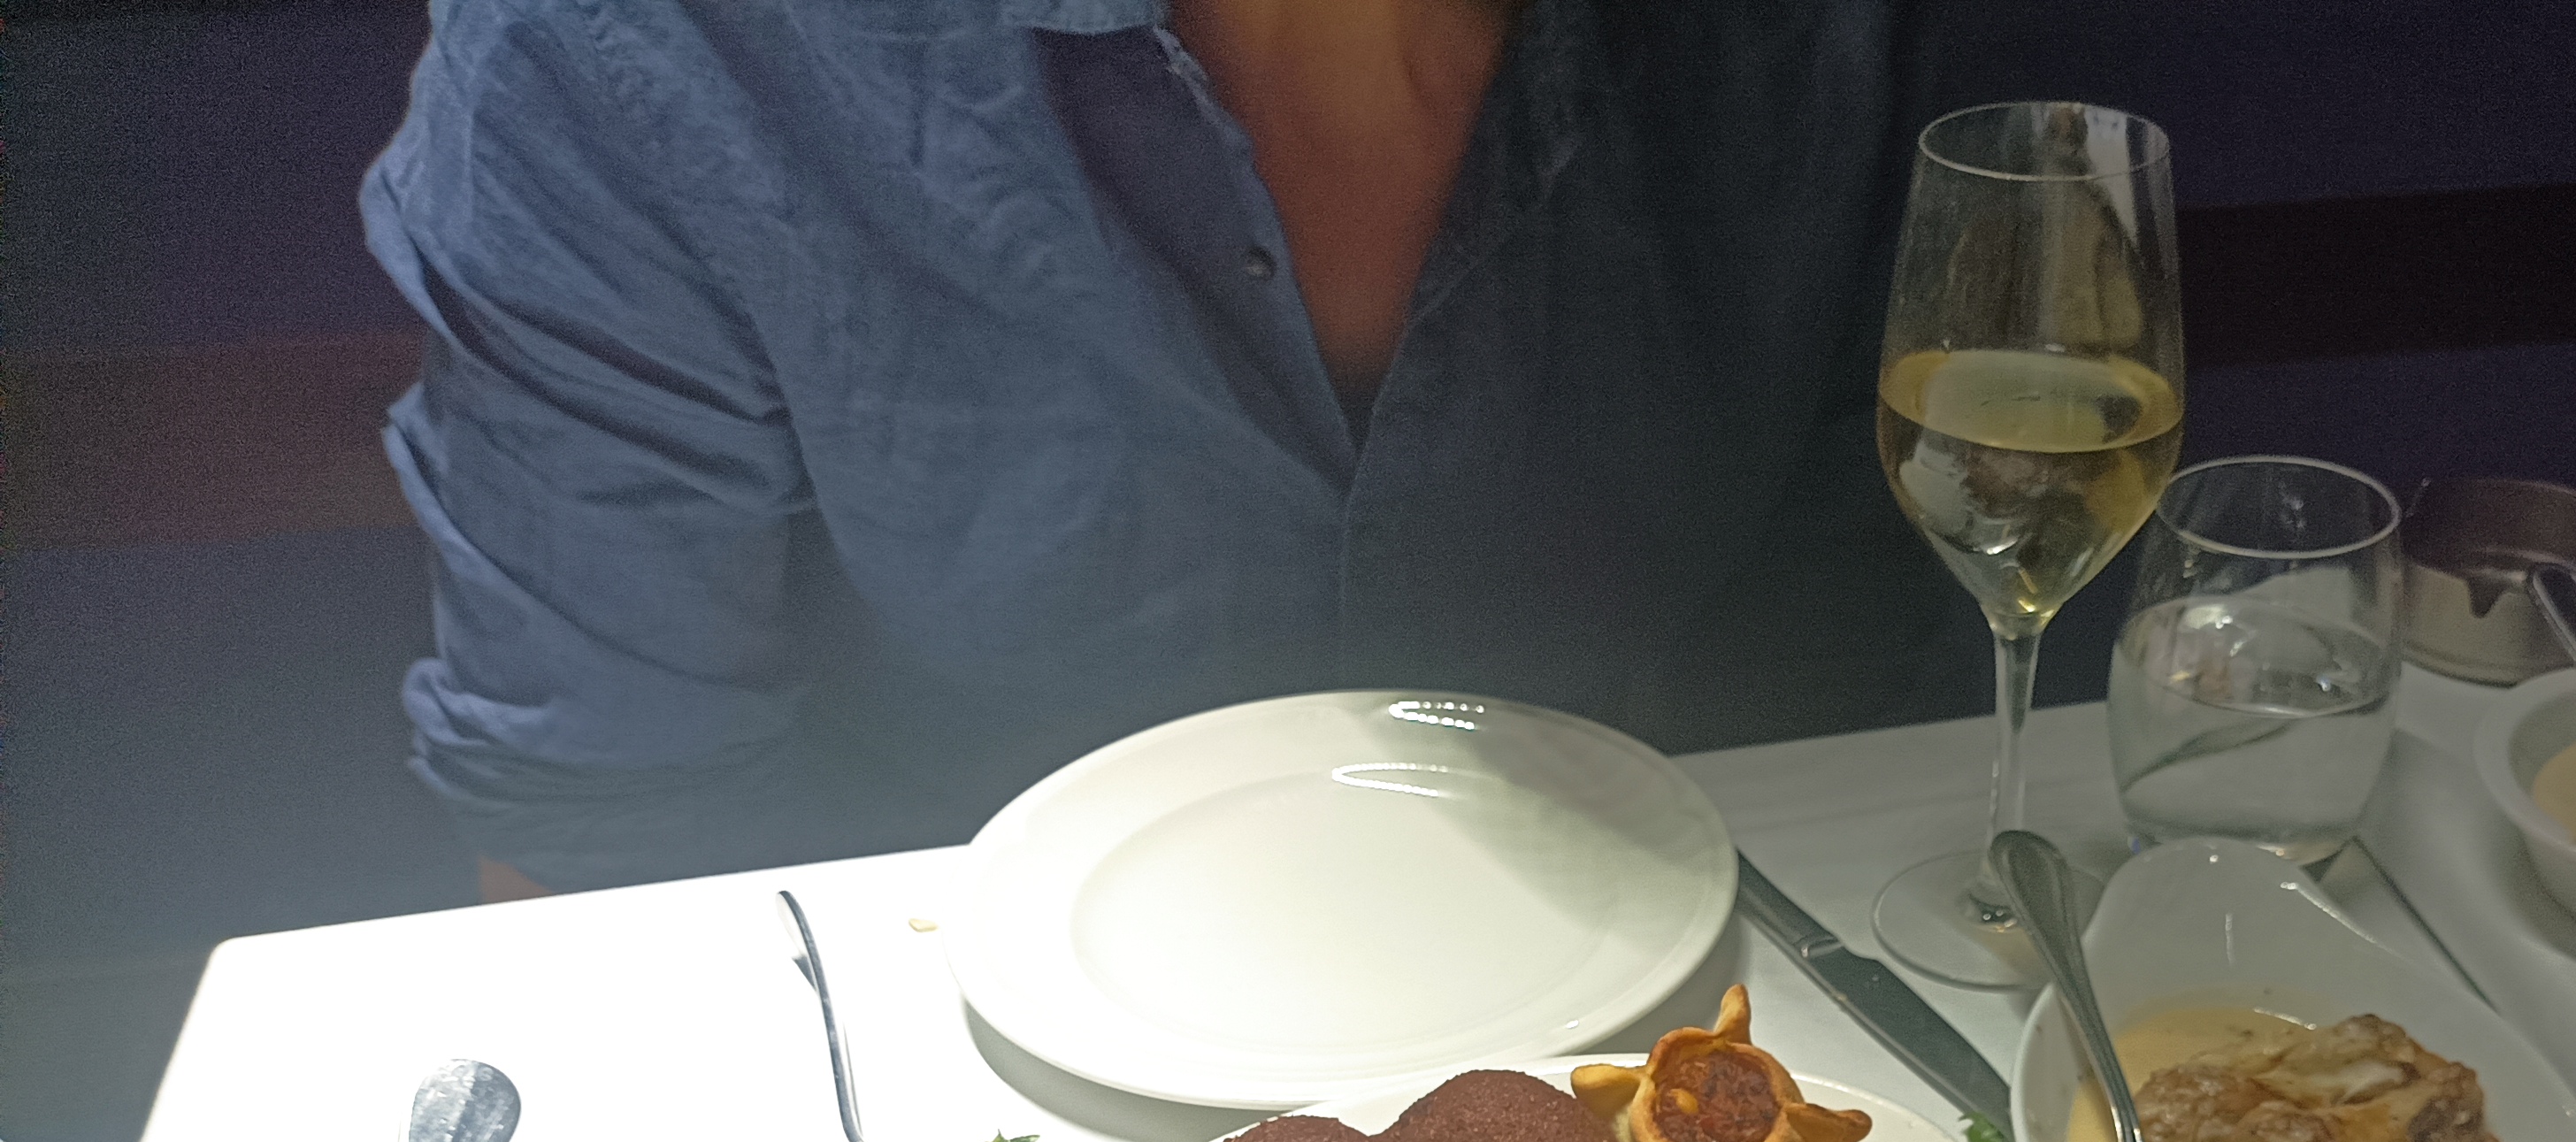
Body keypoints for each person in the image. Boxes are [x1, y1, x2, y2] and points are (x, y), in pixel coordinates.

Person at [362, 0, 1986, 894]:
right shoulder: (647, 46)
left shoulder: (1838, 44)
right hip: (944, 1113)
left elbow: (1845, 682)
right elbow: (614, 827)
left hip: (1662, 1019)